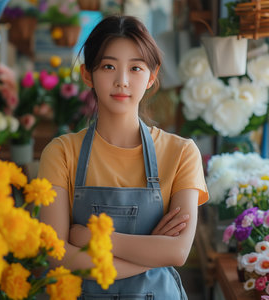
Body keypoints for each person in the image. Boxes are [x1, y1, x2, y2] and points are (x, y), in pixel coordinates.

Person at [38, 15, 209, 299]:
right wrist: (152, 250)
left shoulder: (181, 153)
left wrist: (91, 237)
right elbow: (57, 256)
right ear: (87, 74)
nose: (122, 81)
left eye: (135, 68)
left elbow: (177, 252)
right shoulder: (60, 153)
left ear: (151, 77)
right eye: (108, 66)